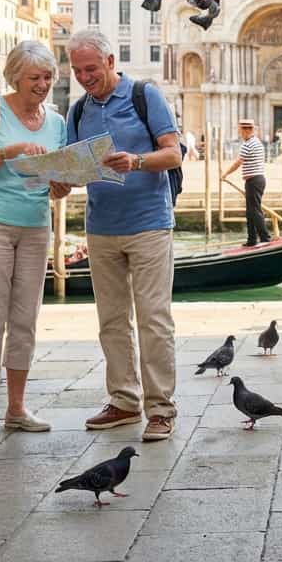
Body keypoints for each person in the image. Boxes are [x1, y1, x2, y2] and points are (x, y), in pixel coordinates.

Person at [66, 30, 183, 442]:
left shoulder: (144, 95)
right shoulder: (78, 111)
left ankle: (161, 409)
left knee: (154, 319)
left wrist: (136, 161)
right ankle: (124, 401)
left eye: (91, 69)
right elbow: (72, 168)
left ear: (111, 61)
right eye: (78, 70)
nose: (84, 77)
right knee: (111, 321)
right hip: (101, 228)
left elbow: (173, 153)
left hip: (150, 222)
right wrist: (57, 180)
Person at [0, 41, 68, 442]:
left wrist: (61, 184)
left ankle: (17, 409)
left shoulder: (56, 121)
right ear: (14, 78)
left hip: (36, 225)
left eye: (48, 78)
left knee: (25, 319)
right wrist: (13, 150)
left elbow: (56, 188)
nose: (42, 85)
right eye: (34, 78)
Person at [222, 118, 270, 246]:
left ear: (246, 130)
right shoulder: (257, 142)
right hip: (255, 180)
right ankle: (252, 239)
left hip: (254, 181)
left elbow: (238, 163)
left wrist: (225, 174)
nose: (240, 133)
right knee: (250, 211)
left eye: (240, 130)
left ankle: (265, 238)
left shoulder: (248, 144)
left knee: (254, 210)